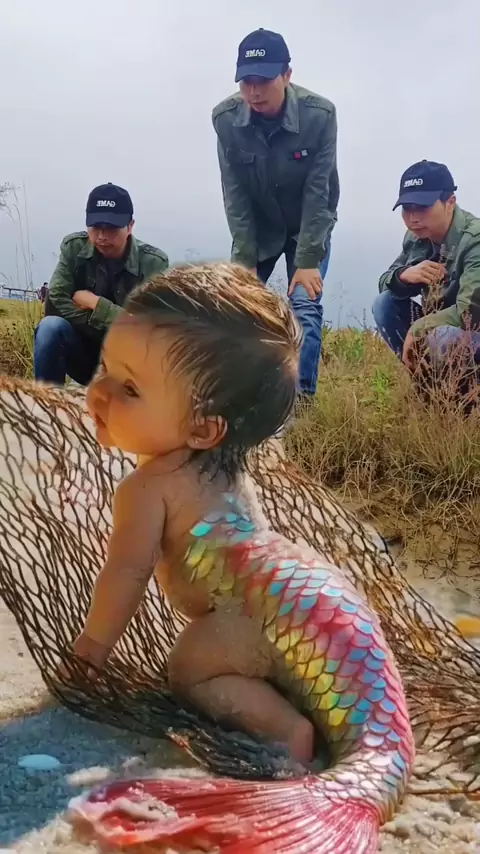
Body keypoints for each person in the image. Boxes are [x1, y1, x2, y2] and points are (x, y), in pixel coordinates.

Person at [64, 263, 413, 852]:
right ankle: (313, 710)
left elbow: (126, 573)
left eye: (130, 388)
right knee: (312, 673)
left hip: (262, 613)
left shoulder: (148, 488)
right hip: (313, 591)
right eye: (106, 370)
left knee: (188, 666)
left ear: (205, 430)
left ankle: (287, 733)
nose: (99, 392)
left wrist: (92, 650)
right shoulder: (229, 469)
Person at [212, 29, 339, 400]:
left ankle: (299, 402)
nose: (254, 92)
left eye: (264, 81)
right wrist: (245, 261)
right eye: (246, 82)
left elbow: (320, 192)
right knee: (237, 308)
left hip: (307, 226)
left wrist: (308, 260)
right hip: (258, 229)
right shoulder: (225, 119)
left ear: (287, 75)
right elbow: (235, 195)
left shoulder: (320, 116)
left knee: (303, 305)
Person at [34, 183, 169, 386]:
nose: (102, 236)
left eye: (111, 228)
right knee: (50, 328)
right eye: (95, 227)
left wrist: (96, 305)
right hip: (82, 353)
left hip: (128, 365)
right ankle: (46, 402)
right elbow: (57, 300)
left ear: (130, 226)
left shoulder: (154, 263)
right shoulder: (73, 249)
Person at [373, 160, 480, 380]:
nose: (413, 218)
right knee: (384, 304)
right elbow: (385, 281)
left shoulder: (474, 240)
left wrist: (419, 327)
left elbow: (470, 312)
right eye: (407, 208)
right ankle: (426, 383)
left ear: (450, 202)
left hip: (470, 331)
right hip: (442, 331)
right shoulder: (416, 236)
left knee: (444, 335)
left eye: (423, 207)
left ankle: (463, 392)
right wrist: (403, 276)